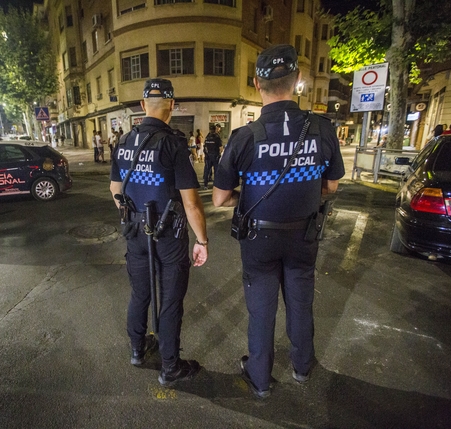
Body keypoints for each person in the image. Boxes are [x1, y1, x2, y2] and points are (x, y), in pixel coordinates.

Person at [212, 44, 345, 398]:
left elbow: (220, 197)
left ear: (257, 83)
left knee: (261, 309)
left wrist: (252, 198)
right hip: (304, 233)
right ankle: (302, 368)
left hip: (259, 239)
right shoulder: (321, 128)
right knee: (301, 301)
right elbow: (330, 185)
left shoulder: (244, 136)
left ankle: (259, 378)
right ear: (298, 80)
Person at [110, 78, 208, 386]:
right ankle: (170, 367)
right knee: (169, 300)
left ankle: (138, 350)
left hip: (135, 231)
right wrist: (202, 240)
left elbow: (115, 190)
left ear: (142, 107)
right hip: (167, 233)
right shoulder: (172, 144)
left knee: (140, 293)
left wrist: (133, 216)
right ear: (171, 106)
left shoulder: (124, 142)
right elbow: (191, 204)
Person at [202, 124, 222, 189]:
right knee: (216, 171)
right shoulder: (217, 137)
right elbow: (220, 148)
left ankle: (205, 185)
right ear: (215, 129)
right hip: (215, 156)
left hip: (208, 156)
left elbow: (204, 147)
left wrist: (206, 154)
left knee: (207, 170)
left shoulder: (207, 137)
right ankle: (216, 185)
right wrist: (220, 154)